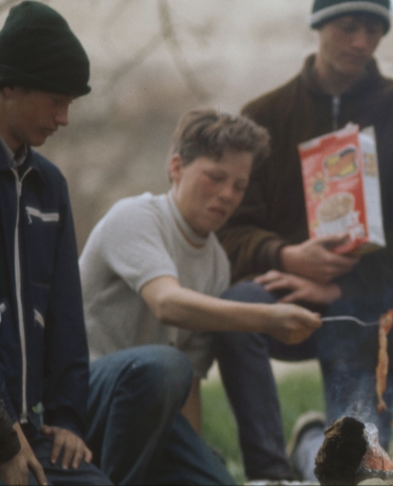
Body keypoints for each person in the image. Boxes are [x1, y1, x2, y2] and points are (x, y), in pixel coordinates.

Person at [215, 0, 393, 481]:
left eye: (373, 30)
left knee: (354, 469)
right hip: (283, 295)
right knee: (238, 307)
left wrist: (344, 290)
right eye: (348, 27)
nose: (361, 42)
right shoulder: (265, 117)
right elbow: (230, 228)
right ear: (319, 24)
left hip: (371, 314)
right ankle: (269, 472)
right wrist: (286, 255)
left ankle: (312, 453)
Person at [79, 109, 322, 484]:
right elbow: (167, 304)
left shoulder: (216, 263)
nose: (227, 195)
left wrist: (190, 458)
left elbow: (189, 381)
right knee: (162, 366)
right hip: (83, 397)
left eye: (239, 186)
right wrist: (268, 319)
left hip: (151, 409)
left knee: (212, 476)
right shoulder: (135, 218)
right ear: (176, 167)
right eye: (215, 177)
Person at [0, 0, 111, 485]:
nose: (64, 118)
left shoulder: (51, 186)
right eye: (56, 100)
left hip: (31, 432)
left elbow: (66, 314)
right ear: (8, 87)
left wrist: (67, 419)